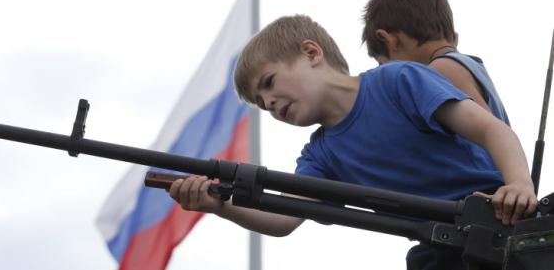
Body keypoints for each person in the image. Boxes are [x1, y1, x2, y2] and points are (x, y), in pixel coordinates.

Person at [168, 14, 537, 270]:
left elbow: (492, 130)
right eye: (262, 105)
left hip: (498, 219)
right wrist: (218, 204)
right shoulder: (321, 155)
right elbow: (282, 219)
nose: (271, 104)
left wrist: (518, 184)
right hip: (440, 247)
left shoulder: (397, 81)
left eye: (269, 83)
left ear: (311, 53)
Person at [361, 0, 509, 124]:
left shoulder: (443, 68)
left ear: (391, 41)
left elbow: (483, 135)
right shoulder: (467, 66)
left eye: (383, 65)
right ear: (454, 39)